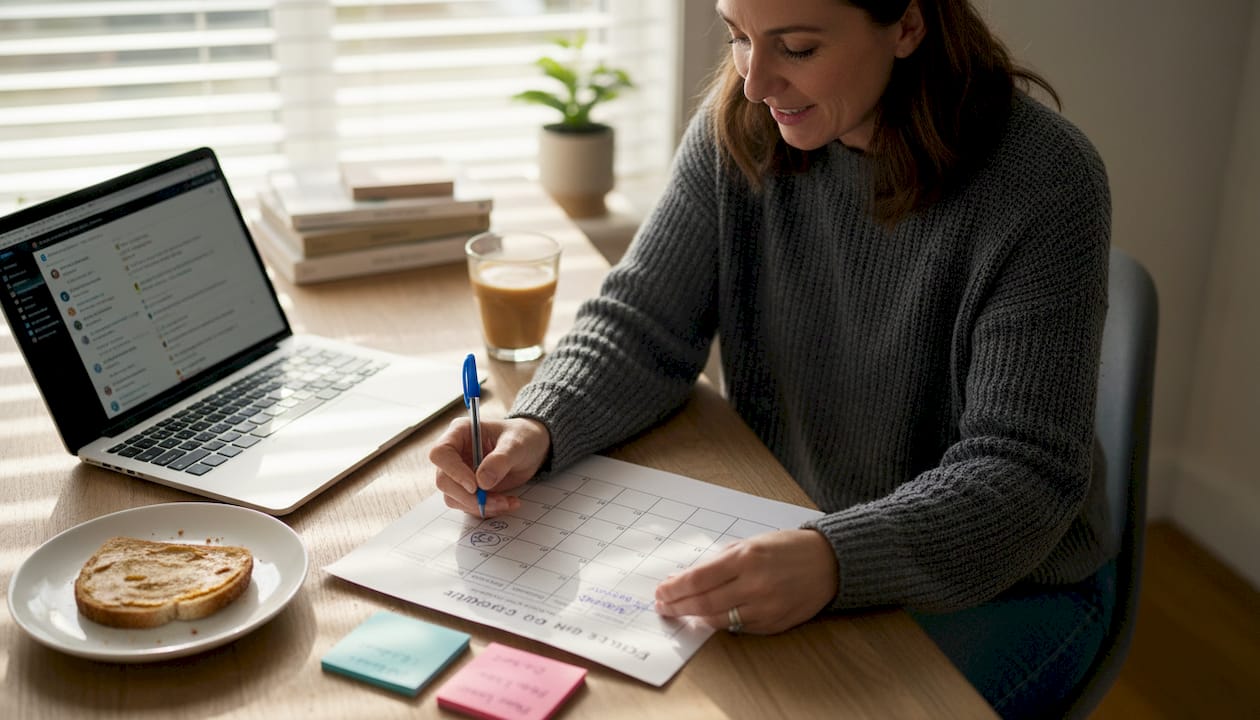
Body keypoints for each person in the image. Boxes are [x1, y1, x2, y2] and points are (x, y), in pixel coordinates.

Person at [430, 0, 1114, 716]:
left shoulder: (1045, 181)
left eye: (797, 48)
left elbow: (1025, 472)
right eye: (738, 38)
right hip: (791, 524)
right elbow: (644, 321)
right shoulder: (745, 125)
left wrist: (835, 559)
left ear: (908, 25)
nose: (756, 82)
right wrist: (539, 422)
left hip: (1009, 582)